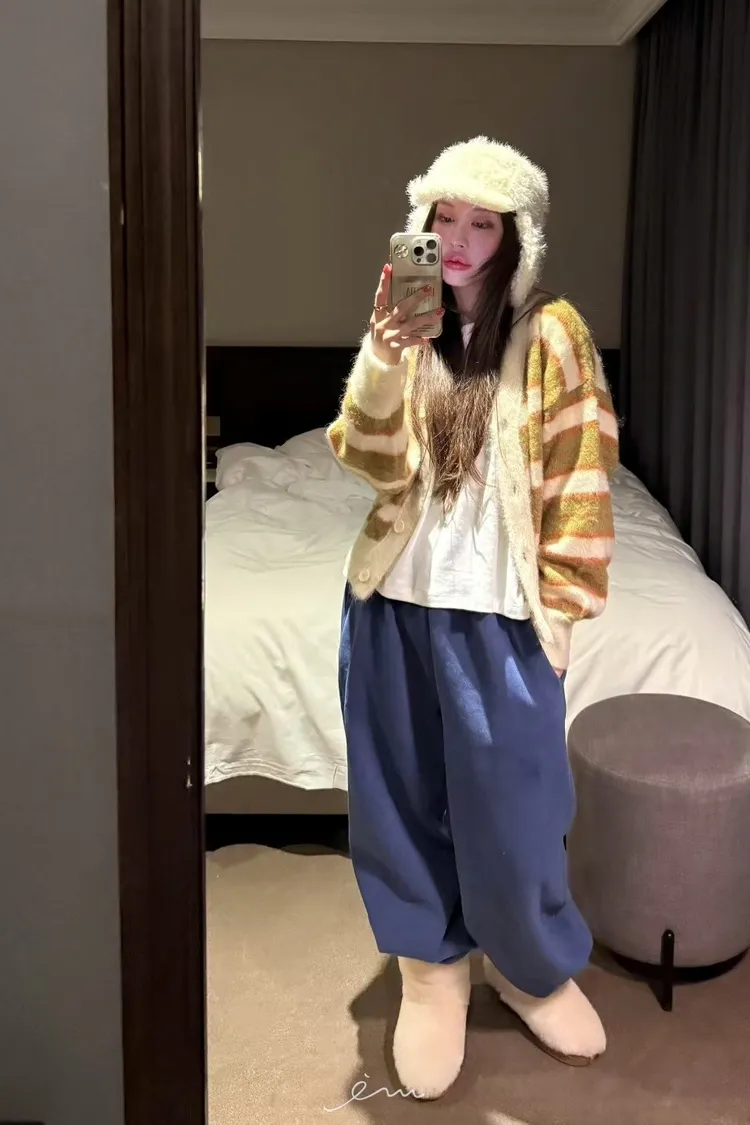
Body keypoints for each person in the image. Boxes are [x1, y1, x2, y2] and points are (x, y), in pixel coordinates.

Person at [326, 136, 619, 1100]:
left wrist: (563, 612)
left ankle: (529, 968)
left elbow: (581, 471)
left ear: (514, 236)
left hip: (501, 614)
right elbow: (368, 461)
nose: (454, 241)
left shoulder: (552, 333)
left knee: (517, 807)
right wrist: (383, 356)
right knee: (399, 798)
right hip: (392, 604)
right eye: (442, 218)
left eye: (479, 223)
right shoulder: (407, 327)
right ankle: (431, 971)